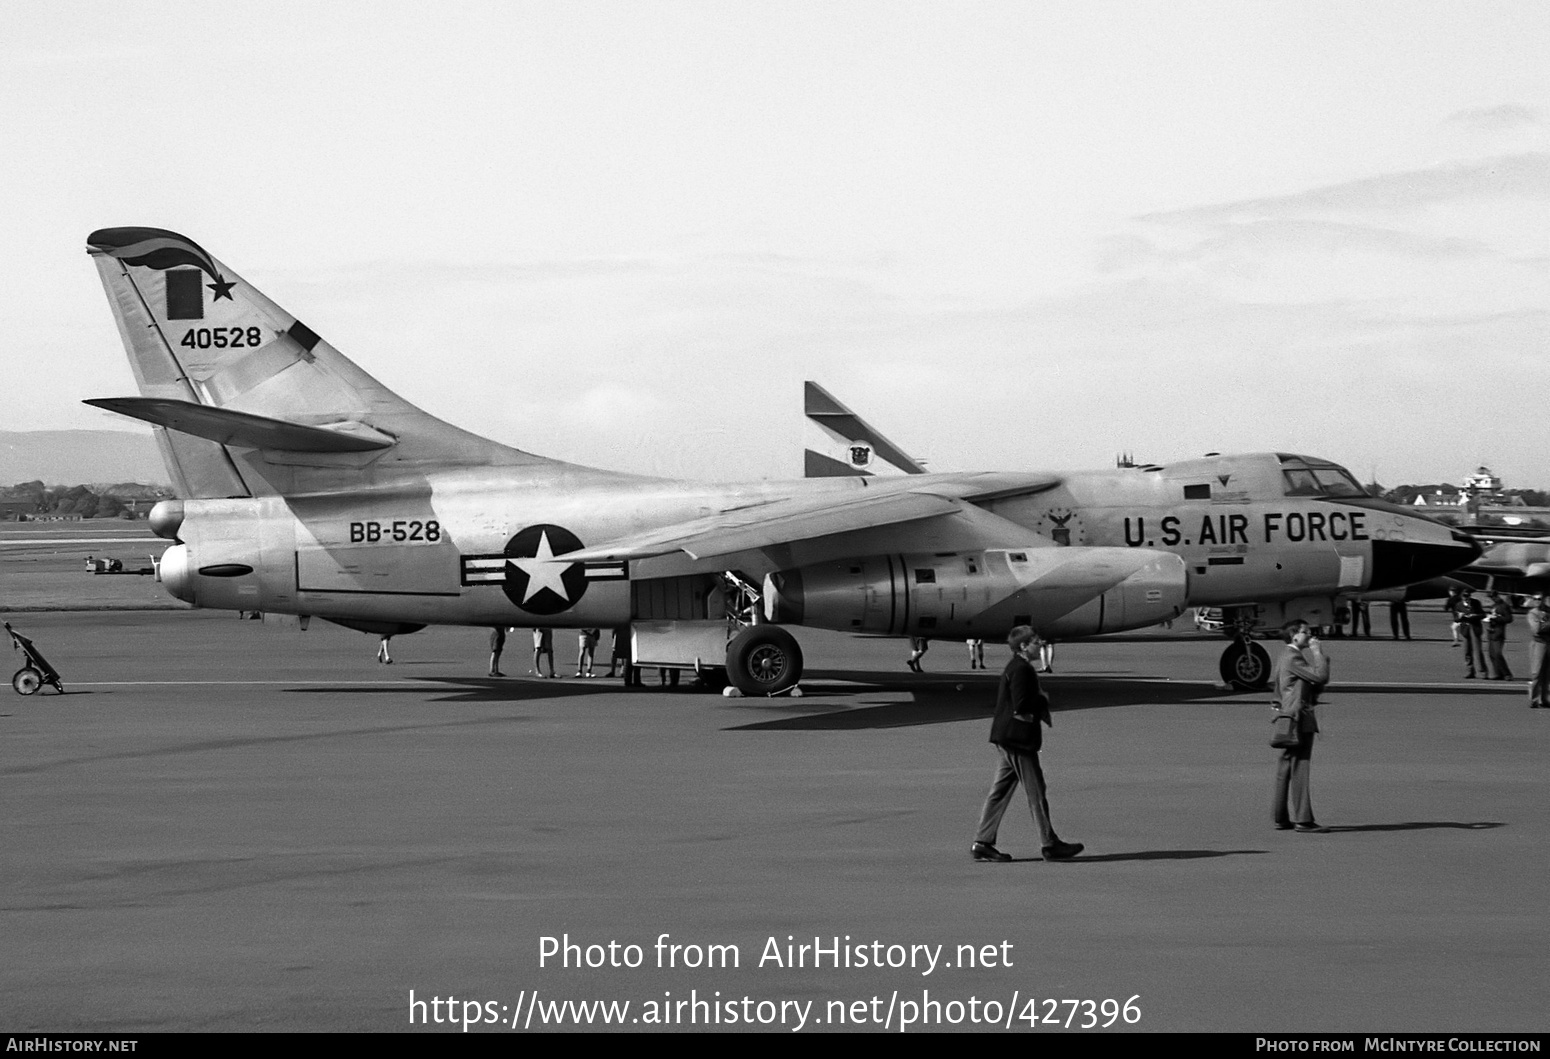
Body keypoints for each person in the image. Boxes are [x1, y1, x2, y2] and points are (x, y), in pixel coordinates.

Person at [971, 626, 1084, 863]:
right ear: (1023, 646)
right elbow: (1021, 704)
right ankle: (1049, 843)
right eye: (1034, 641)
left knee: (1000, 791)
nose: (1039, 643)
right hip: (1017, 739)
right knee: (1036, 792)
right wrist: (1042, 698)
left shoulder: (1018, 667)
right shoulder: (1021, 669)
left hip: (1008, 737)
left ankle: (982, 842)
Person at [1271, 620, 1331, 833]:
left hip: (1288, 715)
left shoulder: (1284, 655)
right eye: (1306, 632)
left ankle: (1280, 816)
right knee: (1300, 767)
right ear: (1294, 635)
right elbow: (1320, 676)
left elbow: (1277, 690)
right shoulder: (1294, 656)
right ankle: (1303, 819)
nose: (1310, 636)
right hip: (1299, 717)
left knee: (1286, 767)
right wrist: (1318, 653)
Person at [1453, 589, 1487, 678]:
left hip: (1475, 627)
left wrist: (1475, 616)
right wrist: (1460, 617)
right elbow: (1456, 619)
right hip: (1465, 629)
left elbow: (1483, 615)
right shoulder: (1458, 605)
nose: (1466, 598)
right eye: (1464, 596)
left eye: (1467, 596)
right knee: (1467, 651)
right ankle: (1470, 671)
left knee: (1478, 651)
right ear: (1462, 597)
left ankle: (1483, 671)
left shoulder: (1476, 603)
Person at [1527, 594, 1550, 708]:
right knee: (1536, 672)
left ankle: (1544, 699)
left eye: (1539, 599)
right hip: (1538, 643)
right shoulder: (1532, 613)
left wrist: (1543, 625)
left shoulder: (1548, 611)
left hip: (1548, 643)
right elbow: (1536, 629)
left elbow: (1541, 627)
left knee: (1547, 673)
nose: (1537, 601)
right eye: (1535, 599)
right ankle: (1533, 699)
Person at [1484, 593, 1514, 680]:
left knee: (1497, 654)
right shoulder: (1494, 606)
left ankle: (1507, 673)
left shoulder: (1504, 606)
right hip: (1491, 631)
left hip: (1499, 632)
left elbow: (1509, 619)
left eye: (1493, 597)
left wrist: (1496, 618)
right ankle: (1498, 673)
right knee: (1492, 654)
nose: (1493, 599)